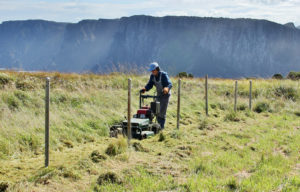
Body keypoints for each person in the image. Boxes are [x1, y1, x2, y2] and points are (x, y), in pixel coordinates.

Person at [140, 62, 172, 129]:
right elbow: (150, 84)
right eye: (152, 71)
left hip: (165, 95)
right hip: (159, 95)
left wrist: (166, 88)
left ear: (157, 69)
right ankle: (157, 126)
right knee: (155, 110)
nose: (152, 72)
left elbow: (169, 84)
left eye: (154, 70)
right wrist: (145, 89)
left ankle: (161, 128)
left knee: (162, 112)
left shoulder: (163, 75)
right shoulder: (152, 76)